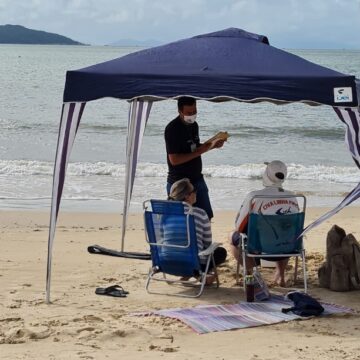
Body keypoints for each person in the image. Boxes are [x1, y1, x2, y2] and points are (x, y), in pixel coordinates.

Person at [229, 160, 299, 286]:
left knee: (233, 236)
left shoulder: (255, 197)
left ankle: (252, 274)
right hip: (287, 248)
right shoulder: (293, 197)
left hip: (260, 248)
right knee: (285, 231)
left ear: (266, 175)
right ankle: (281, 275)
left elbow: (239, 226)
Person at [164, 96, 225, 220]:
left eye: (194, 111)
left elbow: (195, 148)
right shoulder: (172, 129)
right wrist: (199, 152)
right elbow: (174, 160)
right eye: (189, 113)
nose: (192, 115)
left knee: (205, 217)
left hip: (197, 179)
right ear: (180, 111)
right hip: (179, 184)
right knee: (181, 220)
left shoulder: (194, 125)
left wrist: (212, 146)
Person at [169, 178, 227, 284]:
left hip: (168, 261)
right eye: (194, 191)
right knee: (220, 252)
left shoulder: (165, 214)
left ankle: (190, 275)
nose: (196, 193)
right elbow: (207, 244)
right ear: (187, 196)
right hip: (192, 263)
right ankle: (197, 274)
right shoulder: (199, 213)